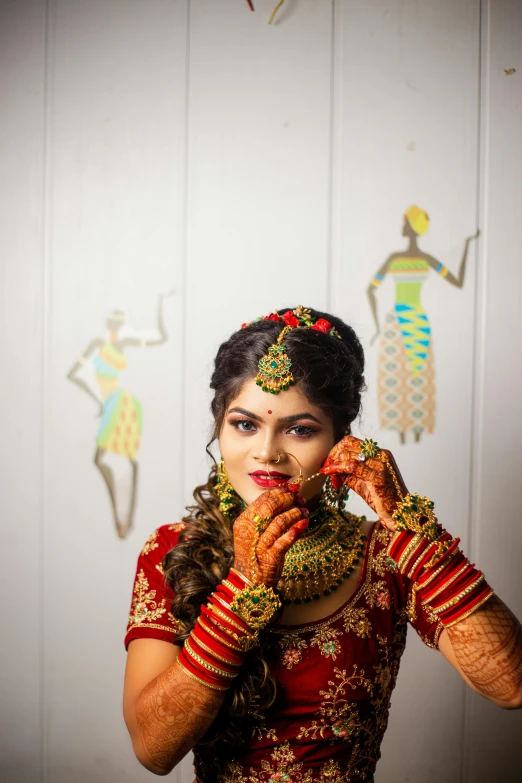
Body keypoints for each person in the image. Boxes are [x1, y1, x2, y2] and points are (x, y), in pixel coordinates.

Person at [123, 305, 522, 782]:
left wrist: (407, 522)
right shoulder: (172, 551)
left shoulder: (388, 555)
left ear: (341, 442)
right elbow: (153, 750)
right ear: (218, 426)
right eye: (245, 424)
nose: (267, 452)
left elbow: (511, 686)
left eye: (300, 429)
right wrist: (241, 589)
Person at [367, 205, 480, 444]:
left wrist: (468, 245)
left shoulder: (404, 259)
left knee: (409, 375)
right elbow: (457, 280)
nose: (403, 226)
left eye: (406, 222)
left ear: (410, 227)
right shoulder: (415, 259)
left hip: (405, 321)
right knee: (404, 375)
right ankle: (408, 434)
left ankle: (411, 434)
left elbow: (371, 291)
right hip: (408, 321)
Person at [67, 292, 172, 538]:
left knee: (117, 457)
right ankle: (122, 520)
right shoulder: (98, 345)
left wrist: (160, 304)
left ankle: (122, 521)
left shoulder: (122, 344)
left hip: (121, 403)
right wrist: (97, 398)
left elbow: (160, 337)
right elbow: (75, 373)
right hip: (112, 400)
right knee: (103, 458)